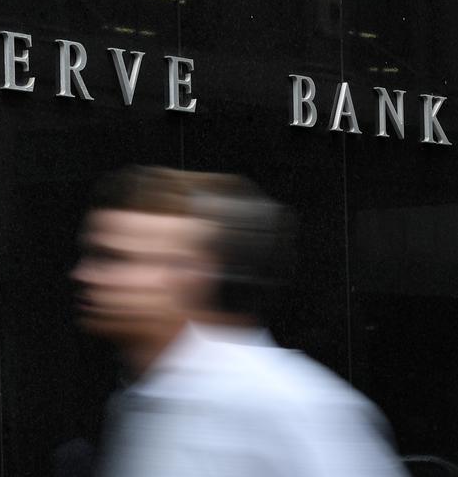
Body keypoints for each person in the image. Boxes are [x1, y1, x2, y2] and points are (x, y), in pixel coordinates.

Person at [71, 166, 409, 477]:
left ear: (185, 273)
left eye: (113, 258)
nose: (83, 275)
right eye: (90, 255)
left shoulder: (289, 405)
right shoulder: (131, 404)